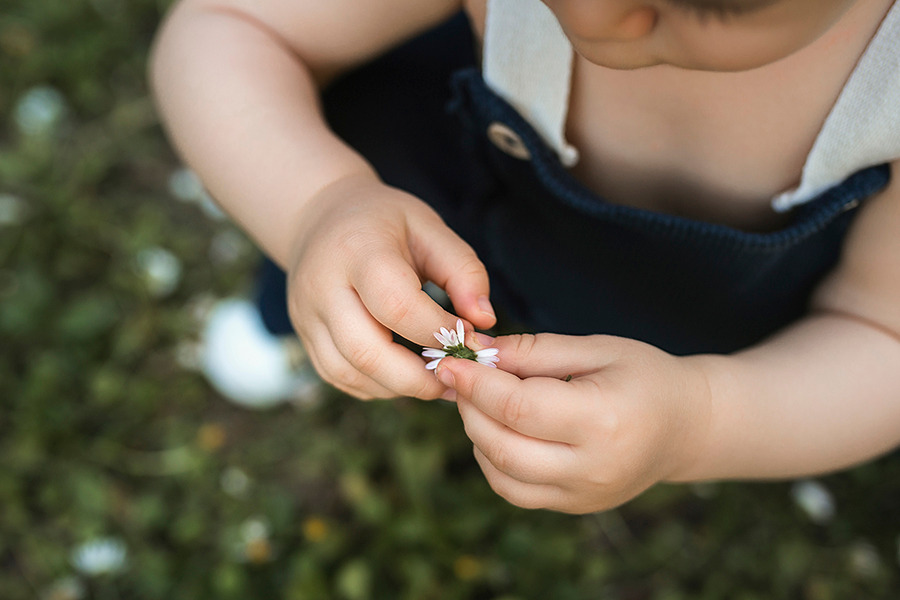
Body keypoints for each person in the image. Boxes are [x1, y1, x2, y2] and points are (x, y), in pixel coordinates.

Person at [149, 0, 900, 514]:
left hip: (664, 311)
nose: (609, 12)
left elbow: (881, 335)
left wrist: (700, 421)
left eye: (720, 2)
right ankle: (292, 318)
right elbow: (229, 26)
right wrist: (314, 206)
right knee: (341, 273)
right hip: (427, 169)